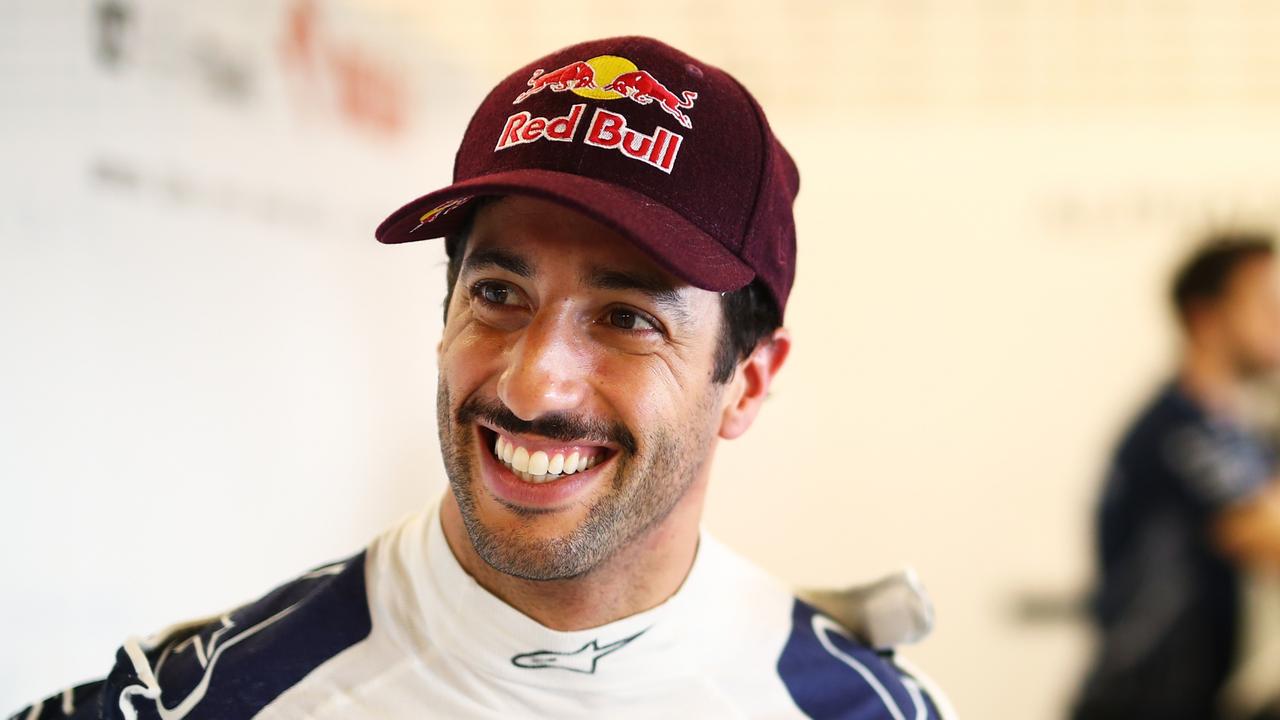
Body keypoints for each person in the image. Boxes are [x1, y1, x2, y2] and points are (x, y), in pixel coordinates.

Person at [9, 36, 949, 719]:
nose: (534, 385)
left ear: (745, 381)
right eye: (498, 292)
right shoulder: (209, 700)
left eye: (627, 319)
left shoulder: (862, 708)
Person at [1074, 233, 1280, 720]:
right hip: (1141, 703)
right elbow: (1263, 537)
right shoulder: (1177, 431)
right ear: (1205, 317)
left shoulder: (1245, 435)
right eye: (1265, 302)